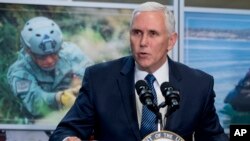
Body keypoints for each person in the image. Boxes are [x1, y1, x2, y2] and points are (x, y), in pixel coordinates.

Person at [49, 2, 229, 141]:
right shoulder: (99, 79)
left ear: (171, 41)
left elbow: (214, 137)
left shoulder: (198, 85)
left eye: (153, 34)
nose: (143, 42)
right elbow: (64, 131)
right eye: (136, 33)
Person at [7, 16, 93, 118]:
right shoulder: (20, 71)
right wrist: (59, 98)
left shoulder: (71, 53)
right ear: (28, 52)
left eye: (54, 54)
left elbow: (93, 79)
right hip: (38, 125)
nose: (50, 61)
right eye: (41, 56)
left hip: (78, 118)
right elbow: (34, 102)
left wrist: (81, 87)